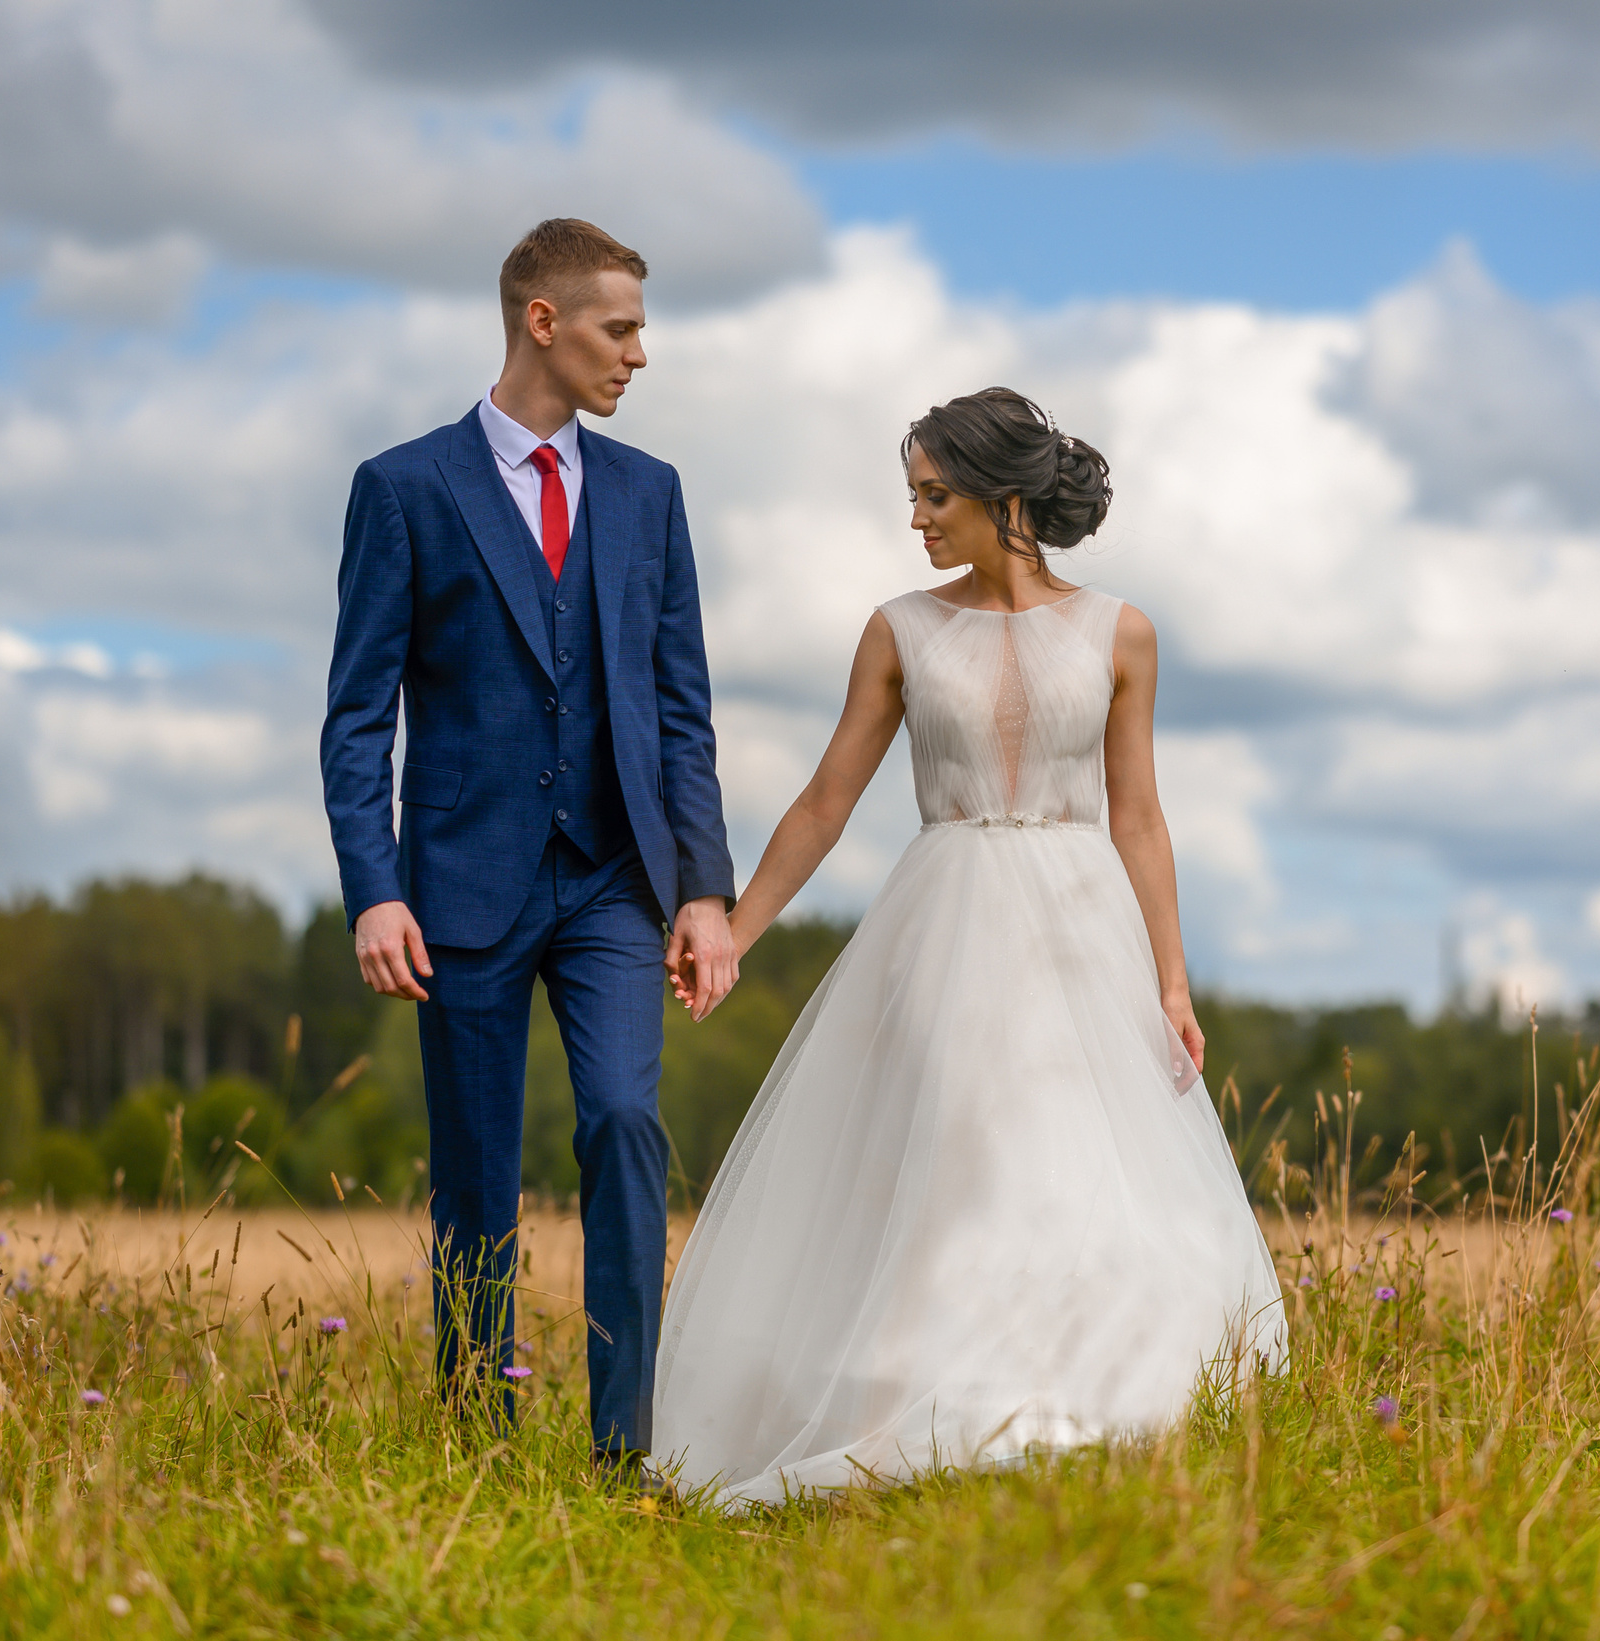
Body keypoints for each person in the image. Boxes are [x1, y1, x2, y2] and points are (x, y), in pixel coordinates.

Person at [653, 387, 1286, 1508]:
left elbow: (1139, 816)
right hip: (944, 921)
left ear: (1004, 499)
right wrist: (735, 934)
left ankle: (1073, 1396)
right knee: (965, 1149)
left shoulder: (1122, 632)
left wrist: (1172, 982)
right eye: (913, 496)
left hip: (1083, 927)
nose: (916, 518)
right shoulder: (898, 629)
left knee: (1072, 1161)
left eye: (934, 495)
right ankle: (938, 1398)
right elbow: (825, 801)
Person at [320, 218, 737, 1490]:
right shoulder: (404, 488)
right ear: (542, 323)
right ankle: (476, 1448)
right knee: (475, 1173)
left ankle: (627, 1448)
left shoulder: (649, 492)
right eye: (620, 328)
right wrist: (374, 889)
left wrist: (704, 891)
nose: (638, 354)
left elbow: (682, 710)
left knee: (623, 1121)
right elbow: (357, 715)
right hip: (460, 886)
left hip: (614, 879)